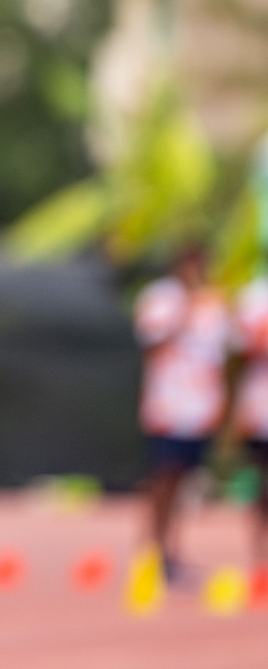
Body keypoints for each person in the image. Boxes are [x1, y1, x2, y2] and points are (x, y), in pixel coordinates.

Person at [132, 246, 230, 580]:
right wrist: (184, 308)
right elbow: (152, 347)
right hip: (167, 407)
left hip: (198, 410)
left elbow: (216, 359)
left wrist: (218, 403)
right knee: (162, 478)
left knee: (184, 485)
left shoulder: (213, 303)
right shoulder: (161, 298)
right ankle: (150, 549)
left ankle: (170, 552)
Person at [232, 271, 268, 587]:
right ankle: (259, 558)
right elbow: (244, 351)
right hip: (260, 410)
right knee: (261, 485)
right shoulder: (255, 297)